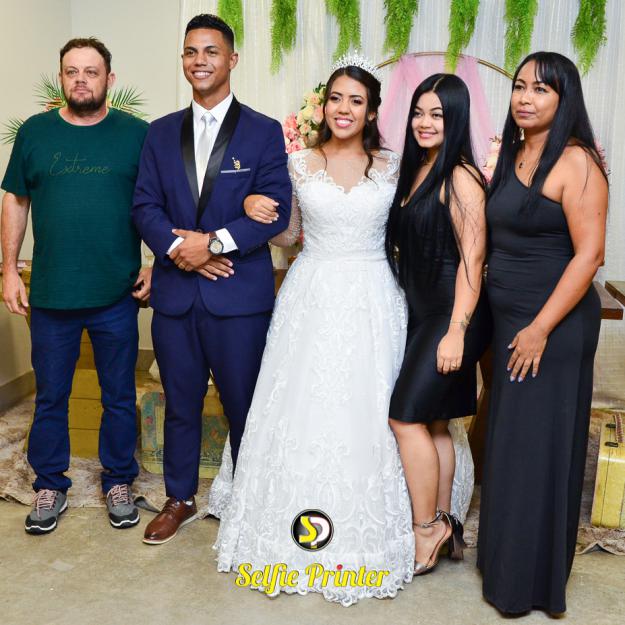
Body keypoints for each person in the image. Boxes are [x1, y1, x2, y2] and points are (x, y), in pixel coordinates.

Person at [206, 56, 476, 606]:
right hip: (312, 292)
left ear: (372, 111)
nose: (344, 109)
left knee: (378, 407)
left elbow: (426, 222)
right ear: (322, 106)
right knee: (303, 403)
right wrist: (253, 206)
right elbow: (289, 235)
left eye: (356, 101)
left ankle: (414, 524)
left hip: (376, 295)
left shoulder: (396, 165)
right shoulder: (298, 163)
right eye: (335, 99)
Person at [132, 14, 291, 545]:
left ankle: (250, 502)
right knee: (181, 405)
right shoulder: (159, 133)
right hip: (176, 297)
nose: (199, 61)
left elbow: (275, 210)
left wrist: (214, 243)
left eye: (210, 51)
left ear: (232, 59)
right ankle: (179, 498)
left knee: (245, 406)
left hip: (238, 298)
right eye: (190, 52)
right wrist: (183, 251)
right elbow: (144, 206)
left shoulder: (263, 131)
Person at [1, 37, 151, 534]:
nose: (81, 80)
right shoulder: (35, 132)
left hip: (116, 294)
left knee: (118, 396)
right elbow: (15, 200)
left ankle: (118, 480)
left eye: (91, 71)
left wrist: (157, 265)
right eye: (72, 71)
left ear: (110, 78)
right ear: (61, 77)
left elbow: (159, 203)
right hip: (52, 293)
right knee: (50, 396)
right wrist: (8, 270)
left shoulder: (137, 135)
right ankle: (50, 484)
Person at [477, 51, 608, 615]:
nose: (525, 98)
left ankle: (528, 585)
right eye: (519, 86)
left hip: (552, 327)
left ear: (564, 99)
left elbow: (590, 256)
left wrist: (539, 328)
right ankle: (503, 563)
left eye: (541, 89)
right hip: (511, 322)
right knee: (510, 445)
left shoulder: (576, 161)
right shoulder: (512, 151)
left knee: (538, 450)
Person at [385, 74, 490, 574]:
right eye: (418, 113)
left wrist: (456, 331)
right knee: (434, 422)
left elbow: (474, 260)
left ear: (457, 120)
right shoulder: (418, 168)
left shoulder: (461, 176)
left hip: (452, 314)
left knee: (404, 419)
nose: (424, 123)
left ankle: (425, 527)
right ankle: (447, 522)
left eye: (437, 115)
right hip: (423, 311)